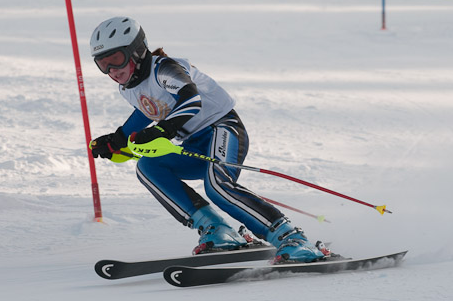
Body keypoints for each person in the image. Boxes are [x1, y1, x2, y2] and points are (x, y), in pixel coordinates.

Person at [88, 16, 327, 263]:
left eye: (116, 59)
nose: (111, 71)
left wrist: (163, 130)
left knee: (217, 186)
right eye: (102, 64)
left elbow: (190, 98)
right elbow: (147, 110)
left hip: (222, 129)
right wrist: (118, 139)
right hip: (193, 143)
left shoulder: (165, 68)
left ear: (137, 51)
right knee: (148, 167)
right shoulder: (129, 87)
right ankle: (218, 229)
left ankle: (291, 237)